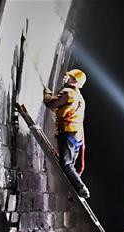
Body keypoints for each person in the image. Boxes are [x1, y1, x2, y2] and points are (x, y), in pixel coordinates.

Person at [43, 69, 90, 199]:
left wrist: (47, 93)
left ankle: (81, 188)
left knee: (66, 164)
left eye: (69, 76)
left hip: (68, 132)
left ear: (74, 80)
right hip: (76, 135)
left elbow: (51, 103)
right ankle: (75, 191)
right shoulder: (80, 97)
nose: (65, 78)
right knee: (70, 166)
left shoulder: (69, 93)